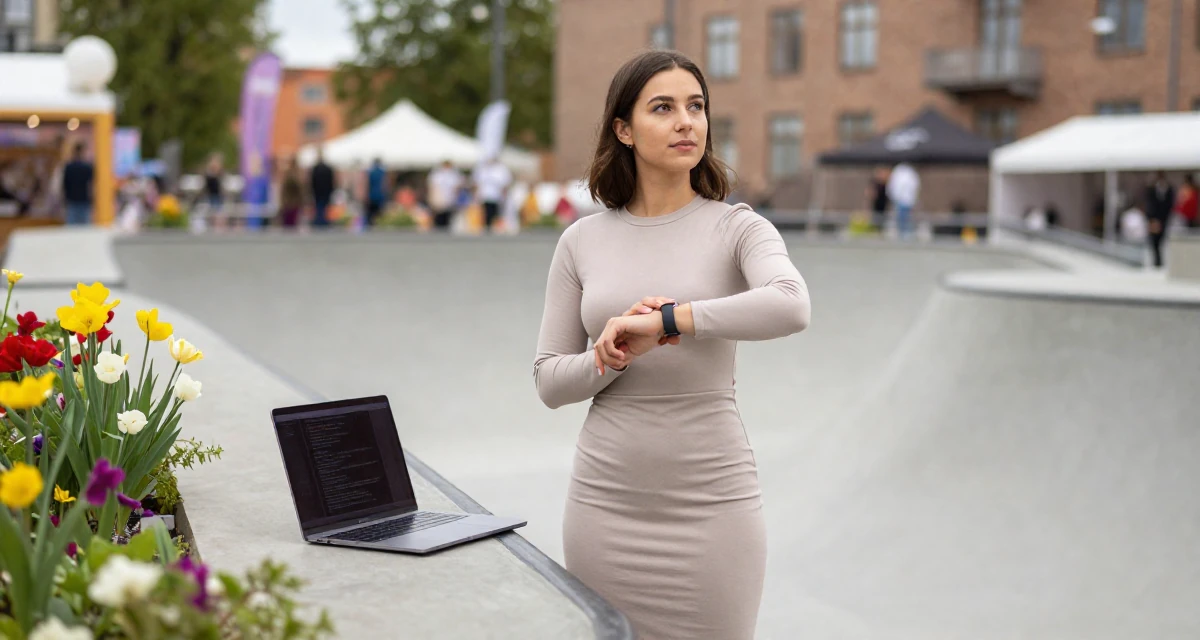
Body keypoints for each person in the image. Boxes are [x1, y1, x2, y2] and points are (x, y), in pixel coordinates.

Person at [532, 50, 811, 640]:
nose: (686, 122)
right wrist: (608, 355)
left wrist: (670, 320)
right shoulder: (581, 241)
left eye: (696, 106)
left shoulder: (739, 228)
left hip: (713, 509)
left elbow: (791, 304)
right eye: (663, 108)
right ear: (624, 130)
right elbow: (550, 382)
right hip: (604, 507)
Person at [471, 156, 511, 232]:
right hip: (485, 196)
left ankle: (494, 227)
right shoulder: (482, 169)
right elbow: (477, 183)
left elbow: (505, 184)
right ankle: (487, 226)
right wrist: (476, 194)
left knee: (495, 213)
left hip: (496, 196)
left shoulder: (501, 169)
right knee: (486, 213)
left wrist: (504, 195)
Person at [1144, 171, 1175, 268]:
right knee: (1154, 240)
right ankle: (1156, 260)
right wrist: (1151, 218)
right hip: (1154, 219)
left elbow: (1170, 204)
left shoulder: (1169, 190)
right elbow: (1149, 204)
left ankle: (1160, 260)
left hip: (1164, 219)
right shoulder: (1152, 190)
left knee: (1162, 239)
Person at [62, 143, 94, 225]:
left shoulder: (69, 167)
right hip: (84, 199)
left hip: (72, 199)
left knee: (72, 226)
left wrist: (65, 198)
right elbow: (91, 184)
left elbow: (65, 185)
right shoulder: (87, 167)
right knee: (85, 226)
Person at [886, 161, 920, 239]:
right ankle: (903, 234)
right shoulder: (899, 172)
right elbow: (893, 186)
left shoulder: (909, 173)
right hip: (901, 201)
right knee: (900, 219)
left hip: (907, 201)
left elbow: (913, 186)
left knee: (907, 219)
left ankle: (906, 234)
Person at [426, 160, 463, 231]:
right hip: (439, 202)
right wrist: (433, 200)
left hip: (450, 202)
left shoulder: (454, 174)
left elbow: (457, 188)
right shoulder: (437, 174)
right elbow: (432, 188)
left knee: (448, 221)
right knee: (439, 221)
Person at [310, 148, 335, 228]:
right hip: (325, 192)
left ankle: (320, 221)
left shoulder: (315, 169)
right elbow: (331, 181)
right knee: (324, 207)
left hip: (318, 192)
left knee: (320, 207)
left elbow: (312, 182)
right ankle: (323, 221)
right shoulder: (327, 168)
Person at [279, 159, 304, 229]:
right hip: (293, 204)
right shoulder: (296, 176)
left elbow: (283, 191)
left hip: (289, 204)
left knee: (289, 225)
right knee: (292, 225)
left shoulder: (289, 175)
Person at [366, 158, 388, 227]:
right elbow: (384, 184)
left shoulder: (370, 172)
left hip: (372, 195)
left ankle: (371, 224)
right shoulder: (382, 172)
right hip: (380, 195)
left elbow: (367, 184)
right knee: (380, 213)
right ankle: (379, 224)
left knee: (371, 213)